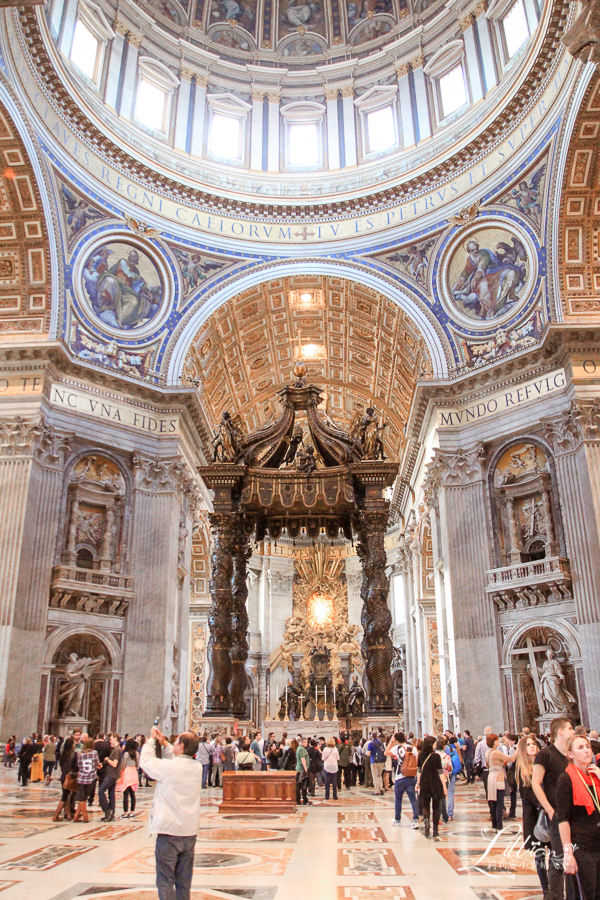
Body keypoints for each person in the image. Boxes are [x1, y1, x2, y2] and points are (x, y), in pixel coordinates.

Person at [140, 726, 201, 900]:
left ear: (181, 747)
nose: (173, 745)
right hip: (189, 832)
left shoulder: (169, 768)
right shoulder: (197, 768)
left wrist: (151, 741)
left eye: (175, 743)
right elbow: (178, 760)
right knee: (184, 881)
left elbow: (146, 761)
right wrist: (165, 743)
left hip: (169, 832)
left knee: (165, 879)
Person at [533, 716, 575, 900]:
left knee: (573, 856)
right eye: (570, 728)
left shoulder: (570, 754)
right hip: (557, 814)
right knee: (558, 859)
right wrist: (549, 809)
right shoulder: (546, 754)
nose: (573, 731)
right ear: (560, 732)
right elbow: (536, 783)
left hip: (573, 813)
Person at [556, 734, 600, 900]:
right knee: (586, 894)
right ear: (571, 754)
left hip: (598, 842)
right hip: (581, 846)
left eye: (587, 746)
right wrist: (568, 854)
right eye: (580, 748)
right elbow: (563, 820)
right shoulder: (566, 779)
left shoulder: (595, 776)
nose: (586, 751)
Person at [515, 734, 549, 896]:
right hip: (535, 817)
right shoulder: (522, 770)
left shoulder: (544, 765)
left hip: (550, 813)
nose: (532, 746)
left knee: (557, 853)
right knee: (540, 855)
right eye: (528, 745)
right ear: (523, 749)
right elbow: (529, 795)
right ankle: (546, 888)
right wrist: (546, 805)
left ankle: (556, 885)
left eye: (534, 744)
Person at [387, 732, 420, 829]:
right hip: (411, 776)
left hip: (400, 777)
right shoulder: (413, 748)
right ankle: (415, 820)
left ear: (396, 740)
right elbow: (417, 761)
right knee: (413, 799)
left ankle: (397, 820)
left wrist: (391, 741)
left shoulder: (397, 748)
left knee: (398, 799)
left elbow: (386, 752)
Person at [417, 736, 446, 839]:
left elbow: (419, 771)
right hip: (435, 782)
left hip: (424, 782)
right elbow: (440, 772)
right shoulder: (436, 756)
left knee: (425, 805)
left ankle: (426, 822)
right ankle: (435, 830)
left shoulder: (420, 755)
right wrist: (444, 785)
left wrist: (418, 783)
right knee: (436, 806)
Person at [485, 734, 513, 831]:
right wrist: (518, 750)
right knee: (499, 802)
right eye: (497, 740)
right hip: (498, 778)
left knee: (493, 801)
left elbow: (488, 765)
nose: (498, 741)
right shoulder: (496, 753)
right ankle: (499, 826)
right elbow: (511, 759)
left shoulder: (488, 752)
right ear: (494, 742)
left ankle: (494, 825)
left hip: (491, 777)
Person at [74, 738, 100, 822]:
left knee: (82, 798)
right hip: (91, 778)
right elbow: (96, 763)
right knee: (84, 798)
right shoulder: (94, 753)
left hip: (81, 778)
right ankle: (85, 817)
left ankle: (76, 816)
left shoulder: (80, 754)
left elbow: (79, 765)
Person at [99, 733, 122, 822]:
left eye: (111, 738)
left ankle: (107, 810)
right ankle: (111, 814)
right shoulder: (116, 749)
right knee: (111, 793)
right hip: (114, 774)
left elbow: (114, 764)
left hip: (112, 774)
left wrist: (107, 760)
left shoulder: (117, 750)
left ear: (116, 738)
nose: (110, 740)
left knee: (101, 791)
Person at [53, 736, 77, 821]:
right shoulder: (73, 755)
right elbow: (75, 767)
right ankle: (56, 815)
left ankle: (68, 815)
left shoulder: (63, 754)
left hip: (63, 777)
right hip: (69, 777)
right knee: (64, 798)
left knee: (66, 797)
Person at [118, 738, 140, 818]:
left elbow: (123, 764)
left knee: (125, 794)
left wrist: (121, 770)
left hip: (127, 773)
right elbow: (138, 765)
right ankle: (132, 812)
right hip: (134, 772)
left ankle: (125, 812)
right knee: (132, 793)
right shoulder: (137, 754)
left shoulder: (126, 754)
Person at [322, 737, 339, 801]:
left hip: (327, 767)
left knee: (327, 782)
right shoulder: (335, 749)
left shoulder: (325, 749)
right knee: (334, 782)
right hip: (334, 767)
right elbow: (338, 758)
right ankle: (335, 796)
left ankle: (327, 796)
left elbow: (323, 758)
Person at [369, 731, 386, 796]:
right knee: (380, 775)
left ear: (371, 736)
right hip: (381, 761)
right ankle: (381, 788)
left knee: (375, 776)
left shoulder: (371, 744)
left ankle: (376, 790)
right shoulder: (381, 743)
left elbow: (368, 753)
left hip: (374, 761)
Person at [296, 737, 311, 806]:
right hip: (302, 770)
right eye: (305, 742)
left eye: (307, 742)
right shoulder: (301, 749)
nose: (306, 743)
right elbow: (303, 759)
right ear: (301, 742)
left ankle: (300, 799)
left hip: (300, 769)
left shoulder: (301, 748)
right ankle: (304, 799)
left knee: (300, 785)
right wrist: (305, 769)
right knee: (303, 785)